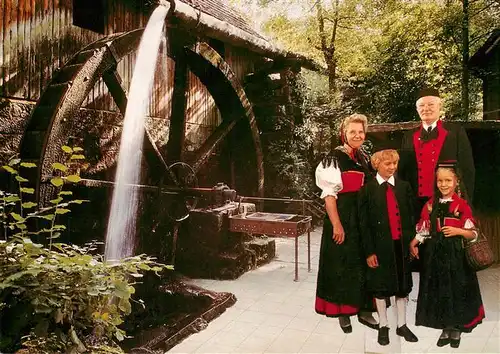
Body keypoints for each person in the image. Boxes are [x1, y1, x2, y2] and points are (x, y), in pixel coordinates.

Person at [409, 162, 484, 348]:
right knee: (441, 291)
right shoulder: (430, 205)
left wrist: (458, 231)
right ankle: (446, 327)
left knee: (456, 291)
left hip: (456, 257)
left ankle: (456, 329)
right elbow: (424, 229)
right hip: (435, 256)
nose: (443, 184)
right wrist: (415, 242)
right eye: (440, 181)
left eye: (448, 180)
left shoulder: (462, 205)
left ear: (456, 181)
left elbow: (473, 233)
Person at [315, 113, 378, 333]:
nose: (357, 135)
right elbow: (329, 195)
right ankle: (343, 312)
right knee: (342, 264)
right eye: (353, 131)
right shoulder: (333, 158)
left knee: (362, 263)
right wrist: (337, 224)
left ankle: (364, 310)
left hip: (362, 219)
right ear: (344, 133)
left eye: (361, 132)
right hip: (343, 216)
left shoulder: (363, 158)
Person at [358, 146, 418, 346]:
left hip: (400, 246)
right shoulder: (367, 190)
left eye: (395, 163)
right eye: (387, 163)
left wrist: (412, 241)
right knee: (381, 288)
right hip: (379, 248)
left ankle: (402, 324)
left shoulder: (404, 187)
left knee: (402, 287)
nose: (392, 167)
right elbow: (364, 225)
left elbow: (410, 217)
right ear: (377, 165)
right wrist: (369, 252)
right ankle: (383, 325)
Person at [399, 88, 475, 222]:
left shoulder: (455, 132)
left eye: (431, 104)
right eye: (421, 105)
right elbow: (403, 172)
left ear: (439, 106)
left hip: (449, 202)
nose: (426, 108)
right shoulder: (409, 136)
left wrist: (465, 201)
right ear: (417, 109)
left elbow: (467, 168)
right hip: (417, 204)